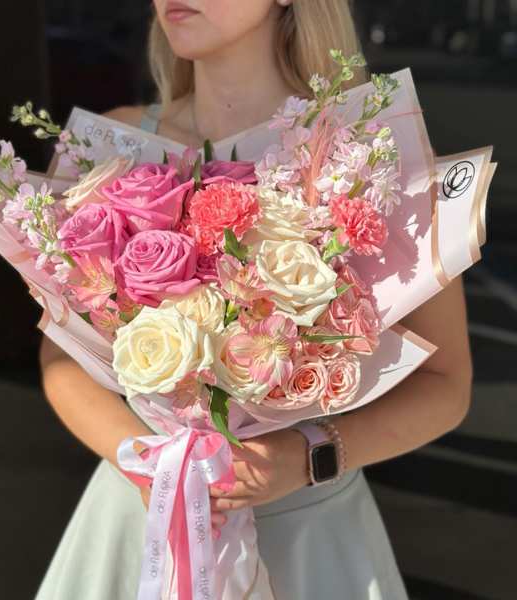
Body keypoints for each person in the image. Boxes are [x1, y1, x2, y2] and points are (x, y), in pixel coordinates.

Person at [35, 1, 473, 598]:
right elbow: (59, 357)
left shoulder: (373, 156)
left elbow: (447, 383)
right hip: (138, 523)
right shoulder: (104, 148)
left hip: (310, 533)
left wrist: (307, 455)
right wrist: (151, 464)